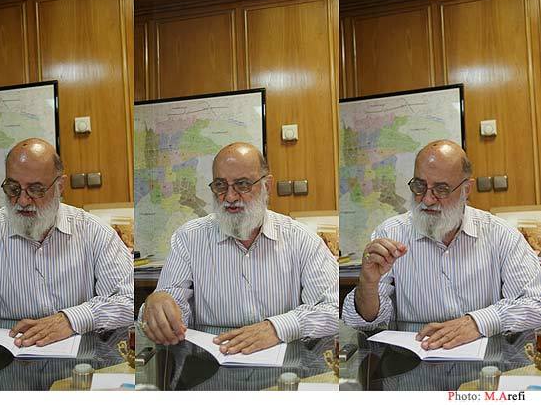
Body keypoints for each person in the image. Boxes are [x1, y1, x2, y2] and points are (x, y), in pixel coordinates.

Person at [139, 142, 339, 354]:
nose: (230, 197)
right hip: (210, 364)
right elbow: (172, 302)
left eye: (242, 185)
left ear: (267, 186)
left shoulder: (302, 239)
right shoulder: (188, 238)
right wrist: (160, 308)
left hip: (284, 365)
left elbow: (332, 309)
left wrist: (278, 327)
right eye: (220, 186)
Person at [342, 139, 541, 350]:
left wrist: (477, 322)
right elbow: (363, 323)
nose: (427, 199)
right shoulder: (390, 233)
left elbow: (535, 303)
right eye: (419, 186)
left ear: (466, 189)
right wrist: (368, 284)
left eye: (441, 189)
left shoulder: (501, 235)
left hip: (487, 365)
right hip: (413, 363)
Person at [0, 138, 133, 347]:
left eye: (36, 189)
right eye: (13, 188)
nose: (22, 200)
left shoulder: (95, 232)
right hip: (5, 360)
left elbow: (128, 301)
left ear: (60, 186)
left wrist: (70, 319)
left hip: (80, 362)